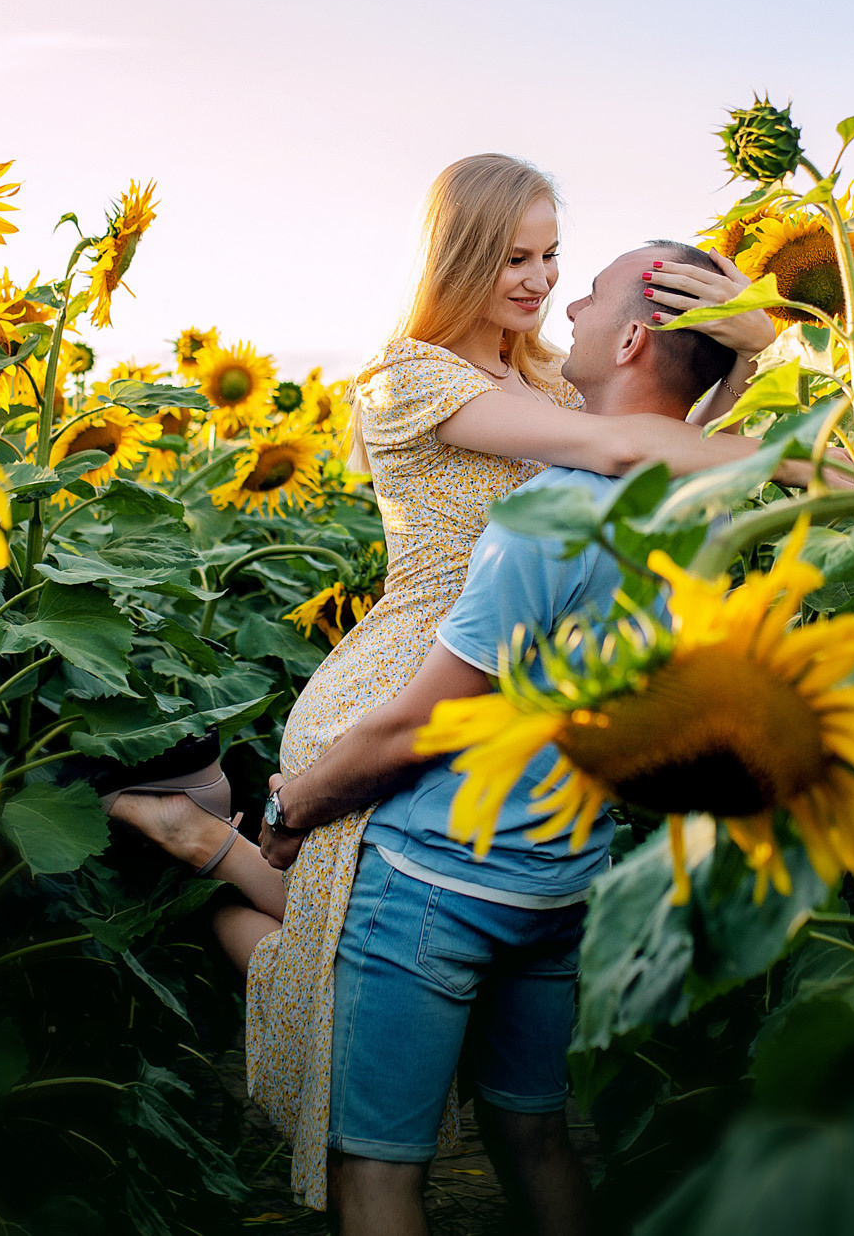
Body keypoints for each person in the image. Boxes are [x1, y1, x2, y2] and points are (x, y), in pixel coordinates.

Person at [106, 154, 779, 1211]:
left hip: (496, 695)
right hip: (401, 690)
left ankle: (217, 840)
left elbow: (661, 424)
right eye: (513, 256)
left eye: (554, 254)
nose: (540, 279)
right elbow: (622, 441)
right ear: (459, 254)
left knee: (357, 951)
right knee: (352, 948)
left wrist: (738, 358)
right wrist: (800, 461)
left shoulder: (549, 372)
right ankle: (218, 839)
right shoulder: (412, 377)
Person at [251, 238, 732, 1235]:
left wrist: (294, 802)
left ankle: (196, 840)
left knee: (376, 1169)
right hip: (562, 868)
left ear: (635, 336)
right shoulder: (697, 507)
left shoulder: (548, 515)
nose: (564, 300)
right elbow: (673, 424)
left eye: (584, 284)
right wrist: (754, 354)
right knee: (540, 1133)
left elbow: (431, 719)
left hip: (436, 867)